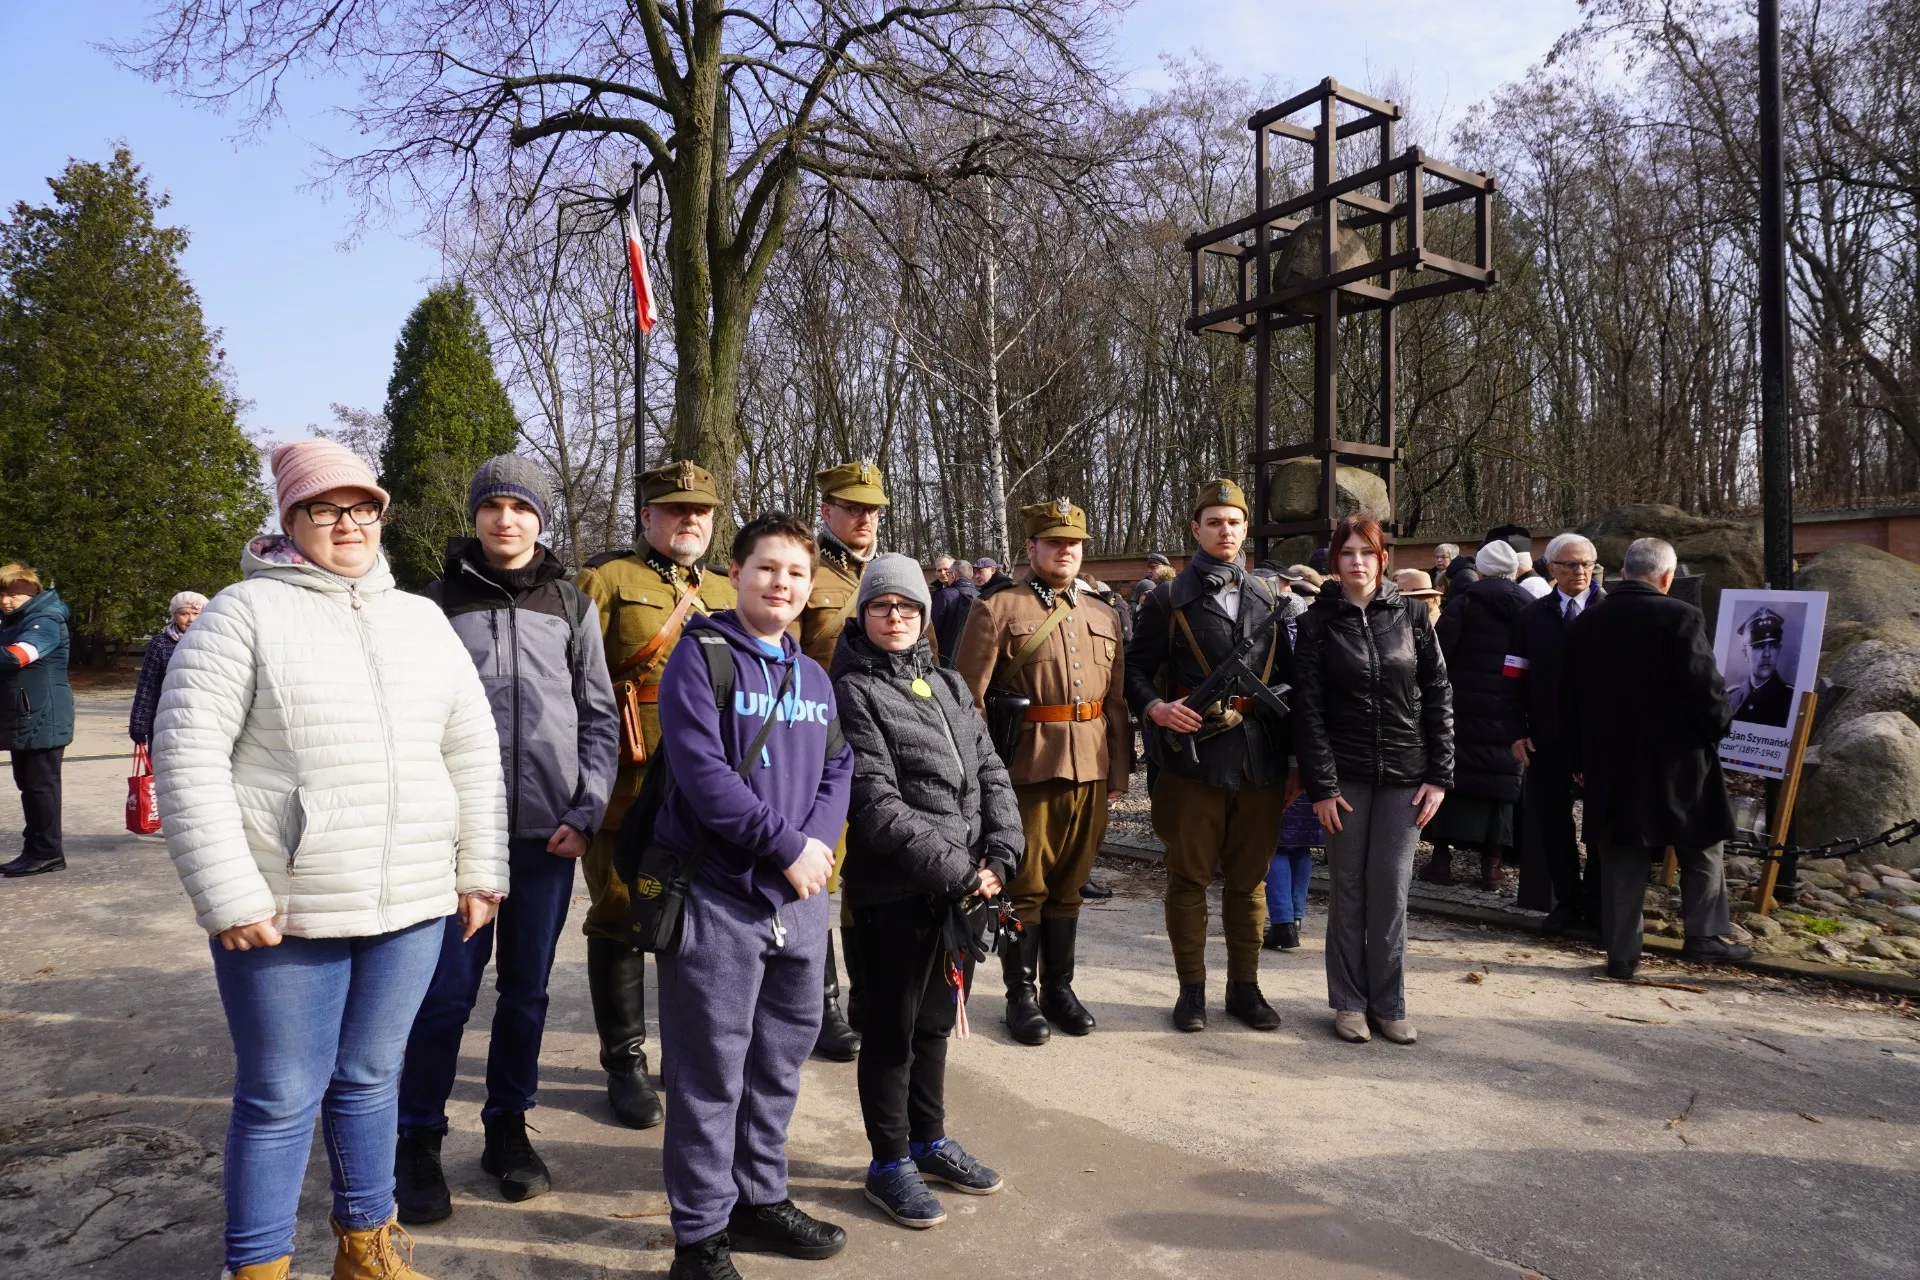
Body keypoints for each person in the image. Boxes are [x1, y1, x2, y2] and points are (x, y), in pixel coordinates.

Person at [153, 438, 508, 1280]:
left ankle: (366, 1248)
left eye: (363, 507)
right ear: (291, 520)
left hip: (411, 901)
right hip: (287, 908)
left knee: (372, 1078)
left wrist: (479, 868)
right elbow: (187, 755)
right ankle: (258, 1268)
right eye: (325, 508)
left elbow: (470, 749)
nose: (348, 524)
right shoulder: (242, 614)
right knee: (280, 1096)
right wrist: (228, 892)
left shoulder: (420, 620)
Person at [392, 456, 620, 1222]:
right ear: (476, 516)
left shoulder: (571, 604)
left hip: (548, 837)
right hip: (457, 841)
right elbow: (409, 717)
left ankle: (507, 1130)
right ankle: (418, 1137)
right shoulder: (433, 605)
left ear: (540, 519)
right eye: (492, 505)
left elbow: (598, 717)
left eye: (521, 507)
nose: (506, 519)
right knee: (444, 995)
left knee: (526, 993)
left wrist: (587, 811)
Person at [652, 512, 854, 1280]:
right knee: (709, 1075)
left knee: (778, 1064)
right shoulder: (700, 659)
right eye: (767, 568)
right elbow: (704, 779)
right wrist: (786, 847)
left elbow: (839, 768)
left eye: (797, 573)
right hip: (719, 900)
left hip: (798, 905)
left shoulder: (814, 678)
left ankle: (759, 1199)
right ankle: (700, 1237)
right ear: (734, 574)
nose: (781, 584)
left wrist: (816, 847)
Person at [831, 553, 1021, 1229]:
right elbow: (875, 801)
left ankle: (927, 1141)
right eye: (882, 606)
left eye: (908, 607)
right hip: (894, 891)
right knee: (891, 1031)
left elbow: (990, 769)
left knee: (935, 1023)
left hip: (959, 892)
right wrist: (958, 871)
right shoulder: (851, 691)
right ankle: (888, 1163)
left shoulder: (948, 683)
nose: (896, 617)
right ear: (863, 614)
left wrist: (1002, 850)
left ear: (924, 616)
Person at [574, 461, 737, 1131]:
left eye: (701, 511)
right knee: (620, 913)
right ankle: (625, 1063)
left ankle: (686, 1056)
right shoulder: (608, 580)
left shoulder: (726, 588)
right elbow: (575, 681)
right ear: (648, 517)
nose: (689, 520)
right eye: (675, 509)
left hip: (707, 785)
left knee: (695, 922)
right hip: (628, 781)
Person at [954, 499, 1129, 1045]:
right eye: (1054, 542)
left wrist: (1118, 771)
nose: (1065, 551)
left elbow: (1115, 702)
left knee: (1070, 886)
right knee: (1024, 887)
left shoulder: (1103, 613)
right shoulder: (998, 608)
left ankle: (1059, 989)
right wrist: (982, 780)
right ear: (1031, 547)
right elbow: (968, 701)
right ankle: (1020, 995)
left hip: (1090, 767)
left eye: (1073, 543)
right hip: (1025, 769)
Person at [1125, 479, 1296, 1033]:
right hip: (1192, 761)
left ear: (1246, 530)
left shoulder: (1268, 597)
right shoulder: (1168, 598)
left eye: (1234, 522)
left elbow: (1294, 680)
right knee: (1188, 879)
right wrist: (1156, 709)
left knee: (1249, 881)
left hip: (1259, 759)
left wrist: (1295, 763)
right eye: (1215, 522)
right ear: (1195, 529)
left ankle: (1245, 988)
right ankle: (1191, 992)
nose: (1226, 531)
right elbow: (1133, 670)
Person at [1293, 514, 1452, 1046]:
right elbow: (1308, 711)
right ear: (1334, 562)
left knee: (1390, 888)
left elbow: (1439, 694)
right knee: (1349, 890)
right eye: (1347, 553)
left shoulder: (1412, 615)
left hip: (1407, 778)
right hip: (1345, 779)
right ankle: (1349, 1003)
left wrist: (1440, 775)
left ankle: (1389, 1004)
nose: (1357, 562)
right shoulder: (1317, 623)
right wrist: (1322, 786)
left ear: (1383, 559)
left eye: (1367, 552)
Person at [1561, 537, 1752, 979]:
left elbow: (1567, 697)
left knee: (1621, 854)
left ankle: (1621, 953)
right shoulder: (1681, 616)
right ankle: (1704, 936)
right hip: (1678, 760)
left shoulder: (1587, 621)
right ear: (1666, 576)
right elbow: (1705, 690)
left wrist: (1578, 758)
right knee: (1701, 844)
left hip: (1610, 761)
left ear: (1625, 571)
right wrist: (1718, 729)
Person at [791, 460, 891, 1062]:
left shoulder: (891, 574)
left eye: (872, 510)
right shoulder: (806, 573)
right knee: (818, 880)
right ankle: (821, 1004)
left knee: (874, 878)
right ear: (826, 511)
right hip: (821, 754)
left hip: (884, 753)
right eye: (852, 508)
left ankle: (868, 997)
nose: (864, 519)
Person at [1505, 532, 1606, 930]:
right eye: (1570, 564)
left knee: (1600, 821)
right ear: (1551, 568)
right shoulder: (1531, 616)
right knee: (1552, 820)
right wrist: (1516, 729)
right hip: (1546, 736)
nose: (1580, 571)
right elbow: (1513, 675)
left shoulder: (1610, 612)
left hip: (1599, 739)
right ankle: (1567, 900)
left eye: (1587, 564)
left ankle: (1597, 903)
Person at [1422, 540, 1530, 893]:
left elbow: (1437, 657)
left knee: (1451, 777)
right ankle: (1492, 868)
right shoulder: (1529, 606)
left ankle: (1441, 861)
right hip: (1508, 709)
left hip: (1462, 707)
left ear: (1479, 569)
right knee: (1501, 784)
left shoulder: (1463, 604)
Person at [0, 565, 74, 878]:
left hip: (43, 717)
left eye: (12, 594)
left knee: (41, 787)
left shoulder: (45, 621)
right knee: (29, 786)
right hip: (25, 716)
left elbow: (18, 656)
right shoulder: (15, 620)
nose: (5, 600)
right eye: (1, 594)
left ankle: (48, 853)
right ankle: (33, 850)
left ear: (32, 592)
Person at [1263, 564, 1317, 952]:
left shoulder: (1272, 645)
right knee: (1300, 844)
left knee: (1277, 841)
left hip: (1280, 750)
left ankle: (1283, 922)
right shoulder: (1318, 643)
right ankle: (1295, 917)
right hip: (1314, 752)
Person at [128, 591, 206, 748]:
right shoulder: (161, 644)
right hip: (167, 721)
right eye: (184, 614)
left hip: (205, 721)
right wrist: (138, 725)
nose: (191, 619)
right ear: (174, 616)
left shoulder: (215, 643)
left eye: (196, 613)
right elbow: (147, 686)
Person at [1730, 607, 1793, 727]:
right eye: (1759, 647)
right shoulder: (1731, 697)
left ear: (1779, 649)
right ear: (1745, 654)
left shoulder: (1792, 698)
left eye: (1772, 645)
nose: (1767, 654)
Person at [929, 553, 979, 666]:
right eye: (939, 570)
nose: (943, 573)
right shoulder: (980, 595)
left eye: (946, 570)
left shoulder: (944, 595)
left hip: (946, 657)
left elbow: (931, 628)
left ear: (953, 573)